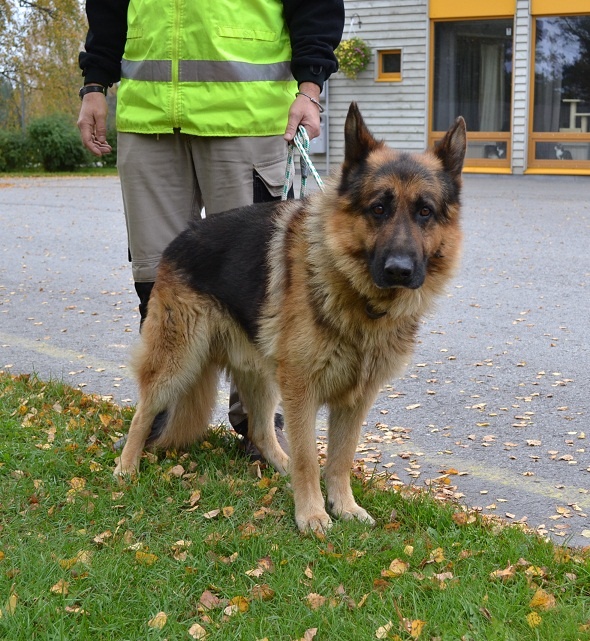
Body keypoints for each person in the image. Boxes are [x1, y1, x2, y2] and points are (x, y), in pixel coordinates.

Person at [77, 0, 344, 459]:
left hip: (246, 116)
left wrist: (310, 87)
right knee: (156, 280)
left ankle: (260, 426)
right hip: (149, 116)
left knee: (257, 287)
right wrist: (94, 84)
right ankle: (162, 414)